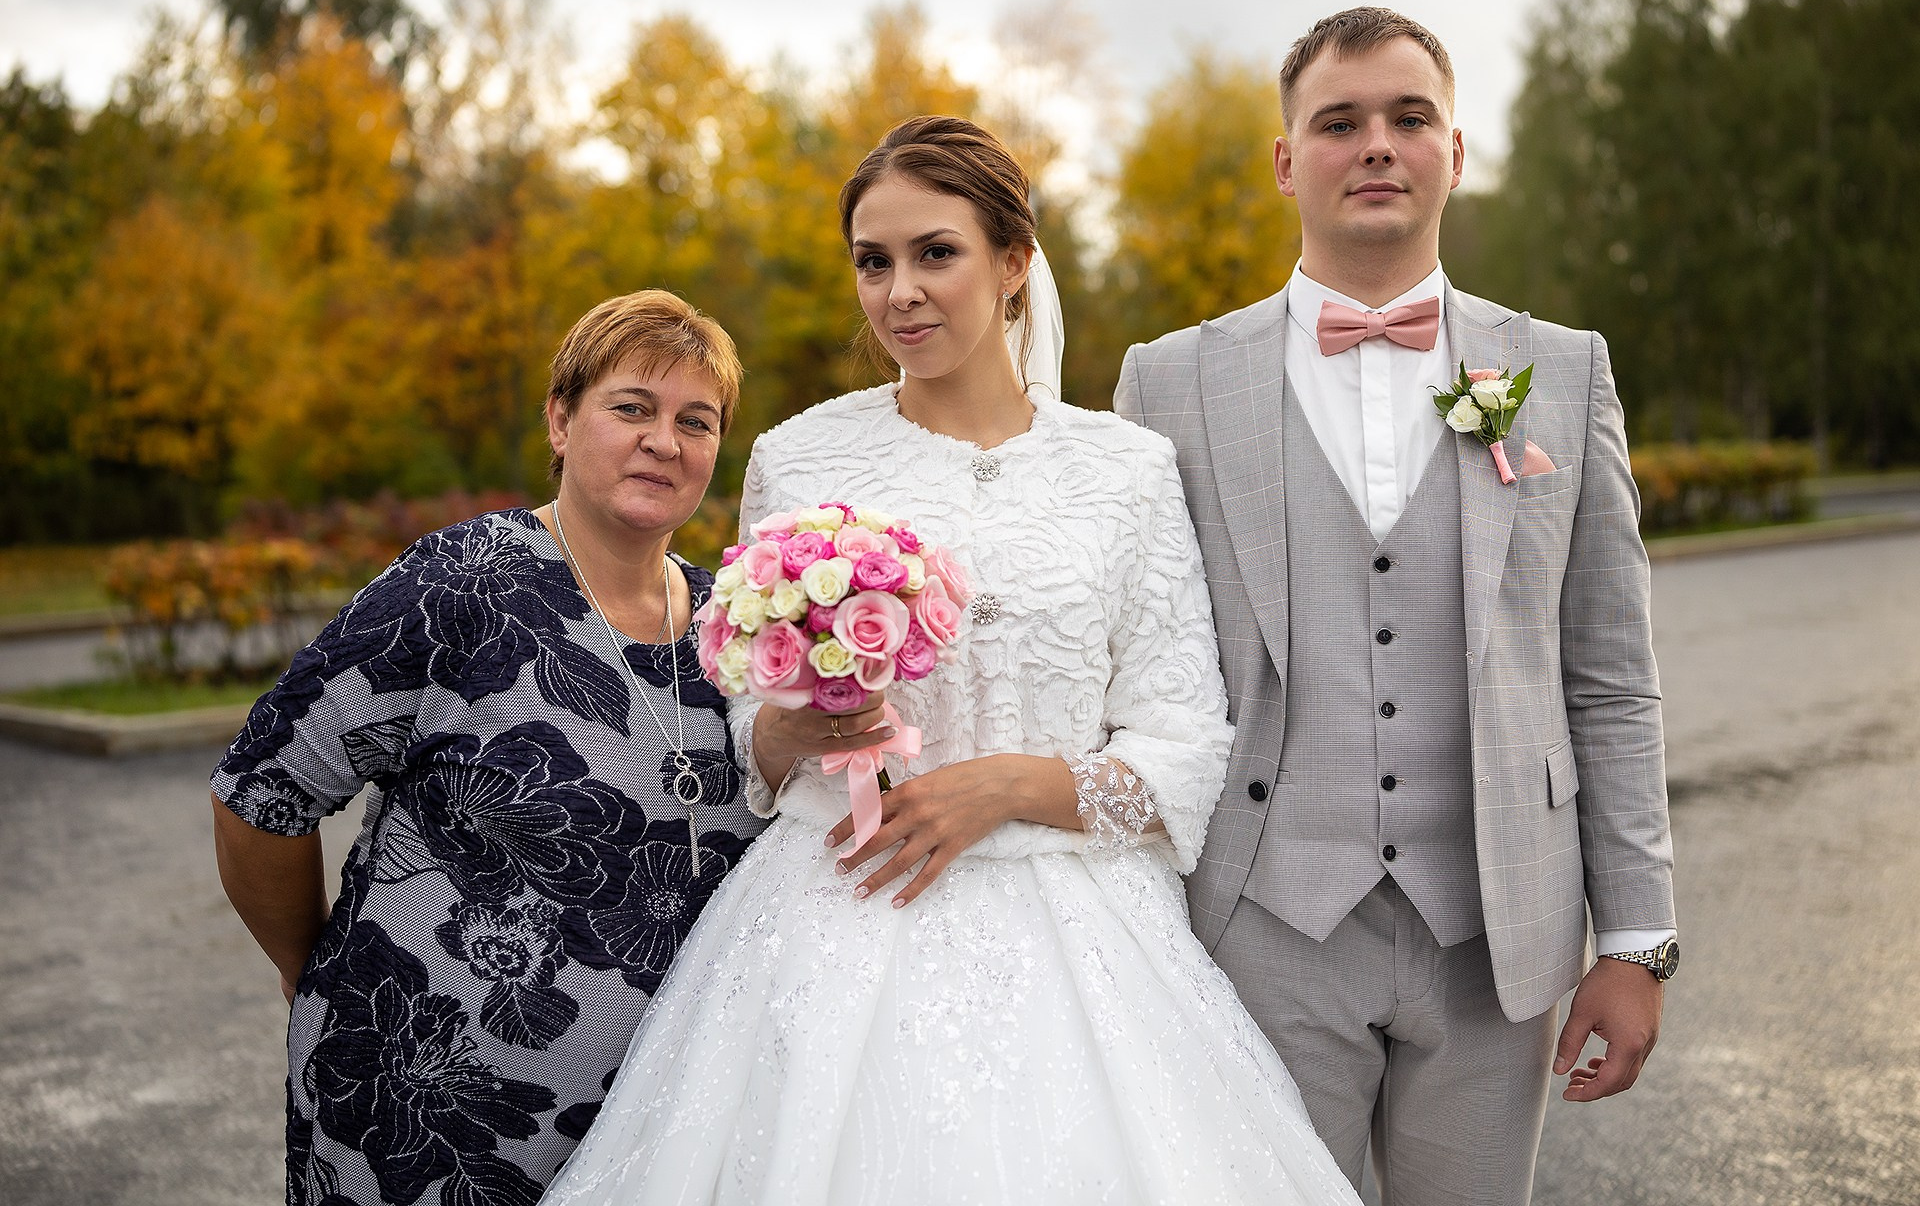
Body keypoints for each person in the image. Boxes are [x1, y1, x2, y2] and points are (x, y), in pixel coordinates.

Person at [539, 116, 1361, 1204]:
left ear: (1014, 262)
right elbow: (745, 722)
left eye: (936, 253)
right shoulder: (799, 456)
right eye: (873, 261)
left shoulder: (1128, 469)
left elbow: (1185, 740)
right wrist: (798, 729)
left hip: (1080, 935)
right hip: (841, 905)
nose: (900, 293)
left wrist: (1013, 786)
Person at [1115, 7, 1678, 1205]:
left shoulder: (1562, 370)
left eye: (1409, 116)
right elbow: (1131, 665)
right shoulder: (1167, 382)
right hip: (1255, 927)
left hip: (1498, 933)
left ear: (1454, 152)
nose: (1376, 142)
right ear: (1286, 162)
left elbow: (1611, 678)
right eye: (1340, 122)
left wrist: (1638, 937)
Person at [210, 290, 769, 1206]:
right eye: (632, 407)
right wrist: (308, 965)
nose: (663, 442)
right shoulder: (462, 584)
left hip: (656, 1135)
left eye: (695, 422)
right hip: (419, 1114)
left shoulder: (737, 625)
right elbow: (261, 792)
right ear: (560, 420)